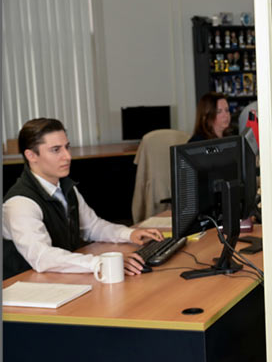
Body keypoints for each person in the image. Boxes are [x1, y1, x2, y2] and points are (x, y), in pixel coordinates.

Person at [3, 118, 163, 280]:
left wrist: (129, 234)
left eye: (67, 147)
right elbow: (42, 257)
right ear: (31, 155)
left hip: (58, 277)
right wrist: (101, 263)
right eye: (56, 150)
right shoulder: (20, 203)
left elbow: (92, 227)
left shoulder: (65, 186)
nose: (67, 156)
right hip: (25, 283)